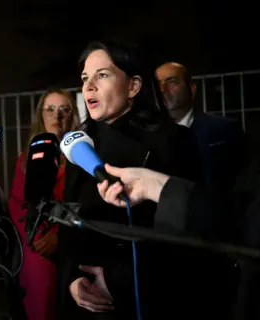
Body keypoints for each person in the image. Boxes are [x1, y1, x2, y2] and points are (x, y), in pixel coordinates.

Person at [56, 40, 205, 320]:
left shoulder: (173, 141)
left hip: (146, 297)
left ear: (134, 86)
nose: (89, 86)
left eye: (102, 75)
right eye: (85, 78)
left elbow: (184, 232)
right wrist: (73, 279)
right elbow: (69, 224)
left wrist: (116, 280)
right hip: (85, 304)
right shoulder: (81, 145)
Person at [8, 88, 80, 320]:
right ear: (41, 115)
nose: (56, 116)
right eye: (49, 109)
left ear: (73, 115)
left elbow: (84, 202)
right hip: (37, 247)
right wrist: (38, 237)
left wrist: (59, 236)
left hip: (75, 244)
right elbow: (18, 203)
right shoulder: (26, 157)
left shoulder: (82, 155)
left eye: (64, 110)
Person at [156, 62, 247, 191]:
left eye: (171, 81)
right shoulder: (147, 136)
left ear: (192, 89)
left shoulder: (225, 130)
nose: (162, 89)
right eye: (158, 83)